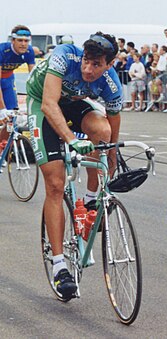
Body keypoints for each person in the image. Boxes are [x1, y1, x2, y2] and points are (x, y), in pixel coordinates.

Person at [26, 32, 122, 298]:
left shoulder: (112, 85)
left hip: (72, 105)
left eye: (97, 65)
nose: (88, 69)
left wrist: (111, 156)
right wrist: (70, 139)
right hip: (43, 103)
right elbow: (48, 104)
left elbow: (113, 124)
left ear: (109, 65)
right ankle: (59, 267)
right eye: (86, 62)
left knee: (101, 132)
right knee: (56, 184)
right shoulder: (64, 56)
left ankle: (91, 200)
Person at [0, 25, 35, 130]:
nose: (23, 44)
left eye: (26, 41)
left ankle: (7, 144)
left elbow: (34, 79)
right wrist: (2, 108)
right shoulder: (2, 50)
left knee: (12, 115)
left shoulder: (29, 52)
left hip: (8, 79)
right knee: (3, 112)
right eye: (20, 40)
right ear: (13, 40)